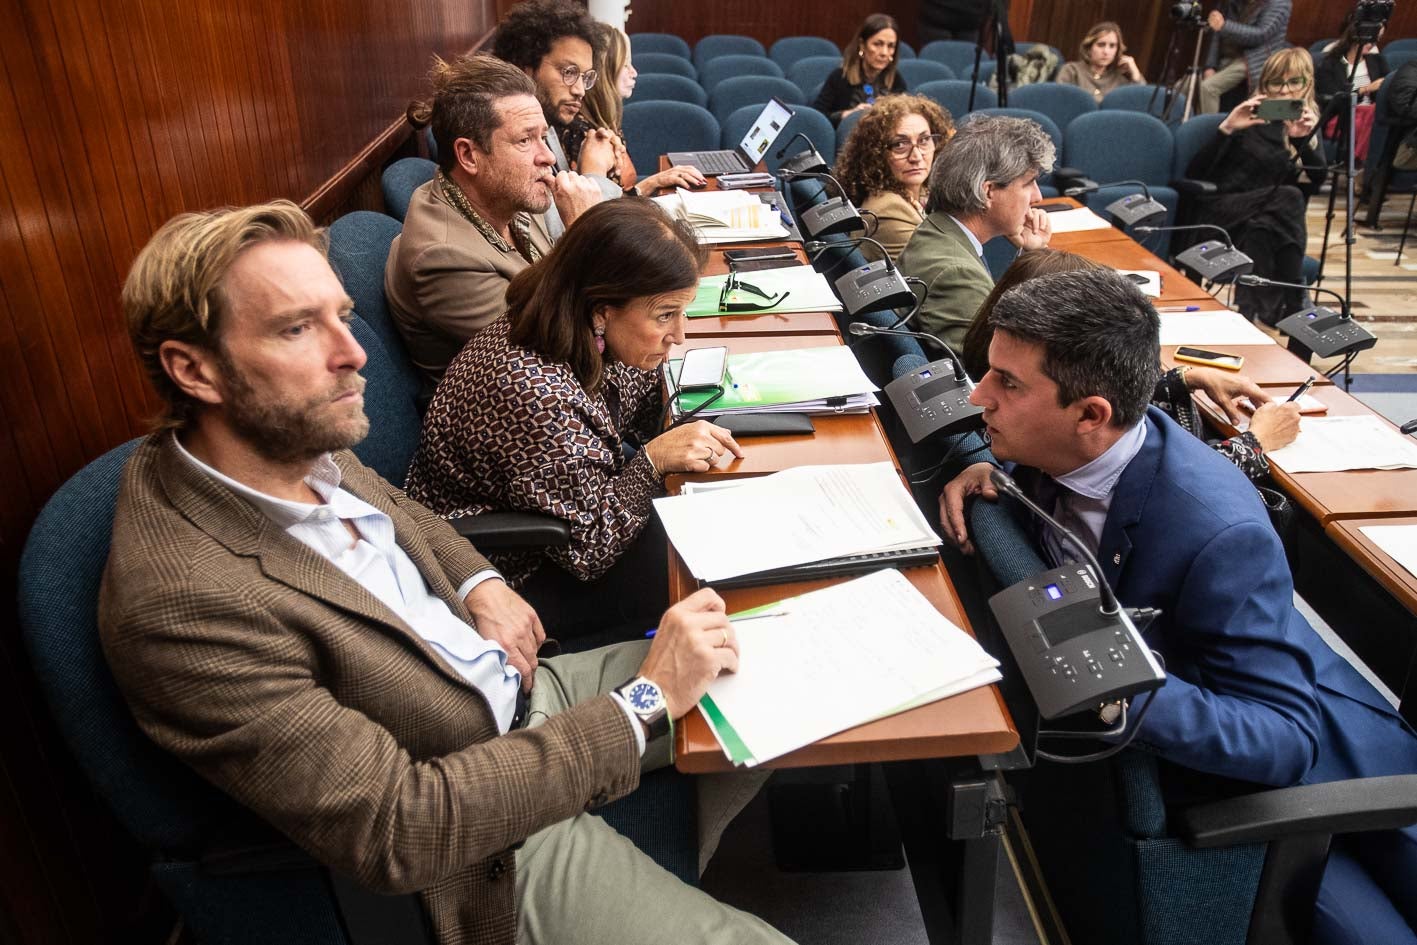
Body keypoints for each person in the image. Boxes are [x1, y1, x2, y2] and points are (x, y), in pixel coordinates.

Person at [101, 200, 792, 945]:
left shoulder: (287, 440)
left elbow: (409, 508)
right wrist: (643, 701)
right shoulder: (184, 603)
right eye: (297, 328)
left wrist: (477, 583)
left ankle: (668, 860)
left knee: (779, 665)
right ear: (193, 369)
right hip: (471, 824)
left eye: (343, 315)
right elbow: (400, 827)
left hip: (510, 687)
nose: (353, 353)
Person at [939, 268, 1417, 945]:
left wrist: (1119, 694)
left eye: (1005, 384)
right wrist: (990, 468)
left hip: (1312, 774)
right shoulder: (1047, 449)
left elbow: (1284, 739)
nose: (976, 396)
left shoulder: (1218, 532)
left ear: (1091, 416)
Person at [405, 199, 743, 641]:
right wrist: (653, 461)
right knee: (713, 557)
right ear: (602, 309)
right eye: (665, 315)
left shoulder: (581, 330)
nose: (680, 334)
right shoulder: (534, 394)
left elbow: (636, 409)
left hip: (569, 521)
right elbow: (591, 551)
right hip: (512, 575)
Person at [959, 249, 1300, 477]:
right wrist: (1258, 442)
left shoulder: (999, 365)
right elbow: (1175, 485)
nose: (980, 395)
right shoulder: (1026, 435)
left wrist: (1182, 378)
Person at [384, 55, 602, 393]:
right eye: (525, 140)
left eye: (543, 137)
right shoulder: (441, 257)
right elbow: (554, 349)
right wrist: (586, 229)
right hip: (513, 420)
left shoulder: (507, 195)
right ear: (469, 156)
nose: (547, 157)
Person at [493, 0, 702, 201]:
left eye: (585, 77)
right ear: (525, 67)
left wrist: (645, 185)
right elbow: (569, 234)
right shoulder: (508, 142)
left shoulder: (549, 127)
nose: (580, 90)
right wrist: (595, 174)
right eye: (568, 72)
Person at [1186, 47, 1323, 326]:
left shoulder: (1304, 127)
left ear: (1307, 83)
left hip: (1262, 218)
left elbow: (1318, 180)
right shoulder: (1247, 117)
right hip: (1222, 211)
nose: (1284, 92)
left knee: (1262, 226)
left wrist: (1301, 141)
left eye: (1293, 82)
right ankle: (1296, 298)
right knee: (1290, 196)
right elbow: (1195, 173)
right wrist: (1227, 128)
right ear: (1265, 85)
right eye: (1276, 83)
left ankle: (1249, 314)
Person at [896, 114, 1053, 350]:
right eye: (1029, 183)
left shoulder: (936, 230)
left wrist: (1032, 255)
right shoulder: (957, 275)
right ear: (988, 191)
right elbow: (991, 368)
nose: (1038, 197)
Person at [571, 23, 708, 196]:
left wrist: (654, 182)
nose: (634, 72)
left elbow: (618, 196)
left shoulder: (605, 120)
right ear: (606, 71)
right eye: (626, 64)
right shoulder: (583, 135)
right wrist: (652, 182)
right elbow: (605, 213)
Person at [835, 94, 954, 262]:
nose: (917, 156)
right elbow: (949, 272)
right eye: (900, 145)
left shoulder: (920, 193)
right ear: (875, 154)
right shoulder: (889, 211)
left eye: (924, 140)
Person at [812, 14, 908, 127]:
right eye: (877, 44)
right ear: (862, 45)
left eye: (891, 46)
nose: (884, 53)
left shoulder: (896, 79)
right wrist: (847, 115)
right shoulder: (839, 77)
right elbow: (817, 118)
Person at [1199, 0, 1293, 114]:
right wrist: (1210, 66)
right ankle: (1184, 128)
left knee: (1208, 88)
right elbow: (1216, 35)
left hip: (1256, 58)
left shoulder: (1280, 3)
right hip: (1227, 57)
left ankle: (1210, 130)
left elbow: (1261, 34)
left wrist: (1225, 26)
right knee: (1185, 86)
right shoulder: (1232, 2)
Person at [1055, 21, 1145, 103]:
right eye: (1101, 45)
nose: (1106, 51)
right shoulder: (1071, 71)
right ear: (1089, 48)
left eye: (1112, 46)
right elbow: (1060, 101)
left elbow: (1139, 101)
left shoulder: (1120, 78)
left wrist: (1136, 75)